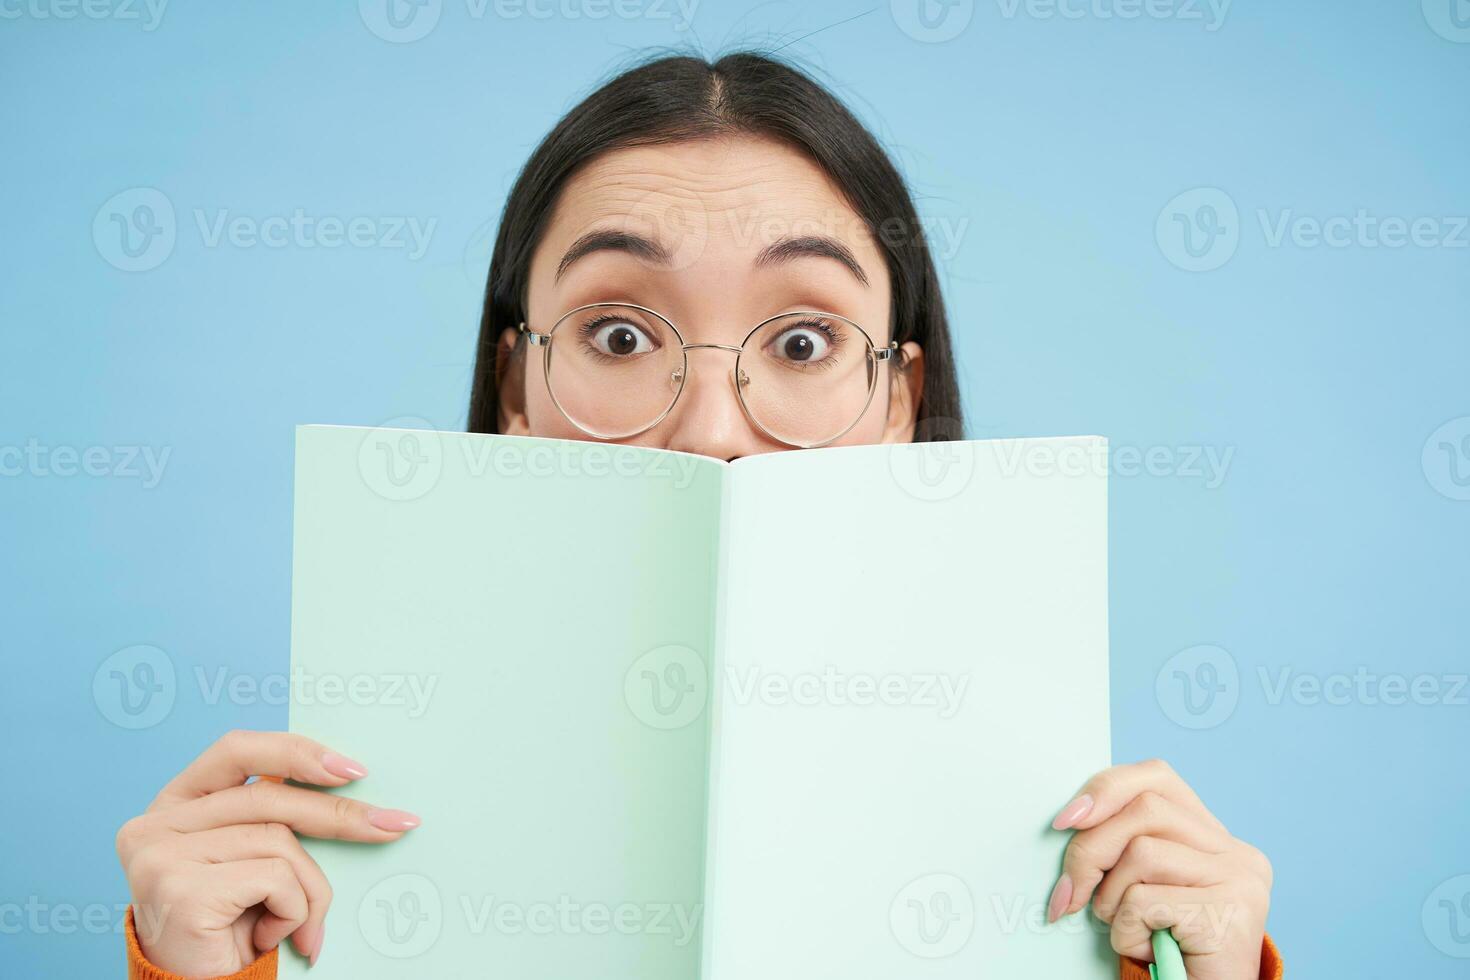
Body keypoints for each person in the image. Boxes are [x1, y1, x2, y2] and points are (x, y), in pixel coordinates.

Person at [118, 51, 1279, 980]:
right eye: (620, 336)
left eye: (805, 340)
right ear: (516, 385)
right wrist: (196, 975)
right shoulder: (301, 894)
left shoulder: (1076, 883)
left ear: (898, 401)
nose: (715, 428)